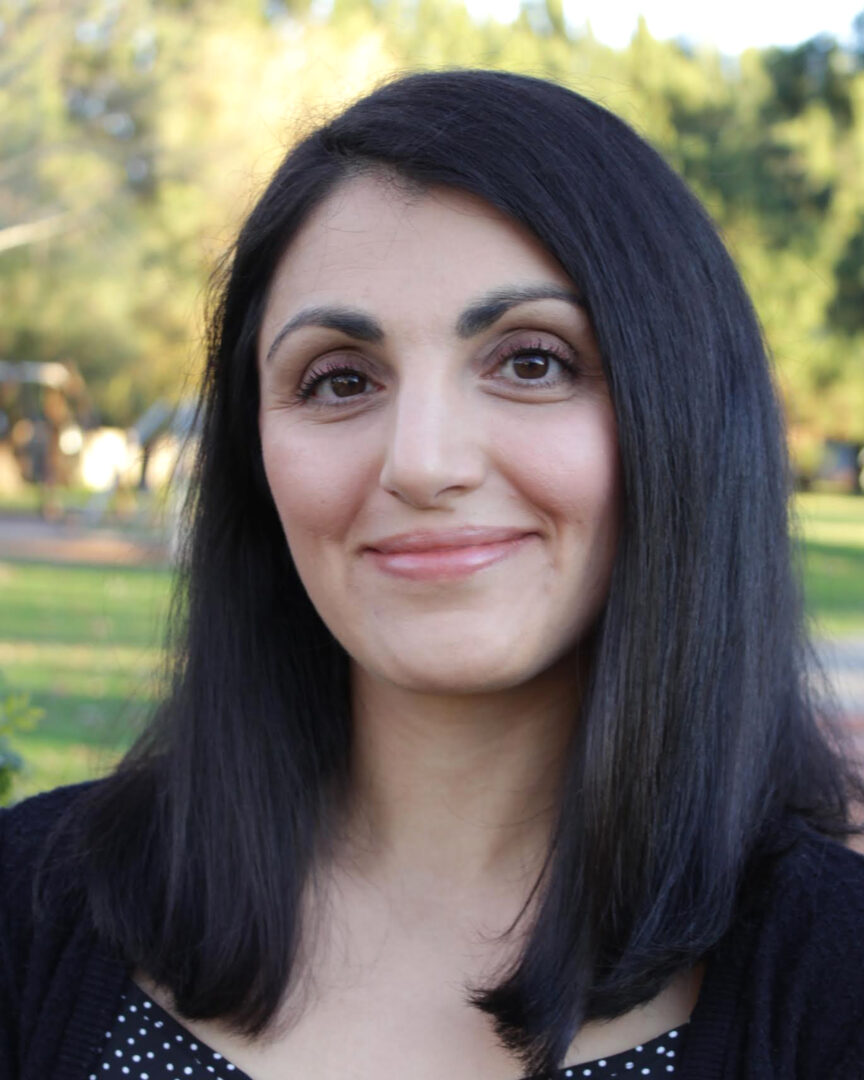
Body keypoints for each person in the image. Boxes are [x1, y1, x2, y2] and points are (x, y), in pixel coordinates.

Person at [2, 69, 864, 1080]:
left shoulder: (835, 990)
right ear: (256, 458)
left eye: (532, 362)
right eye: (339, 380)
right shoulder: (31, 908)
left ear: (683, 420)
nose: (421, 460)